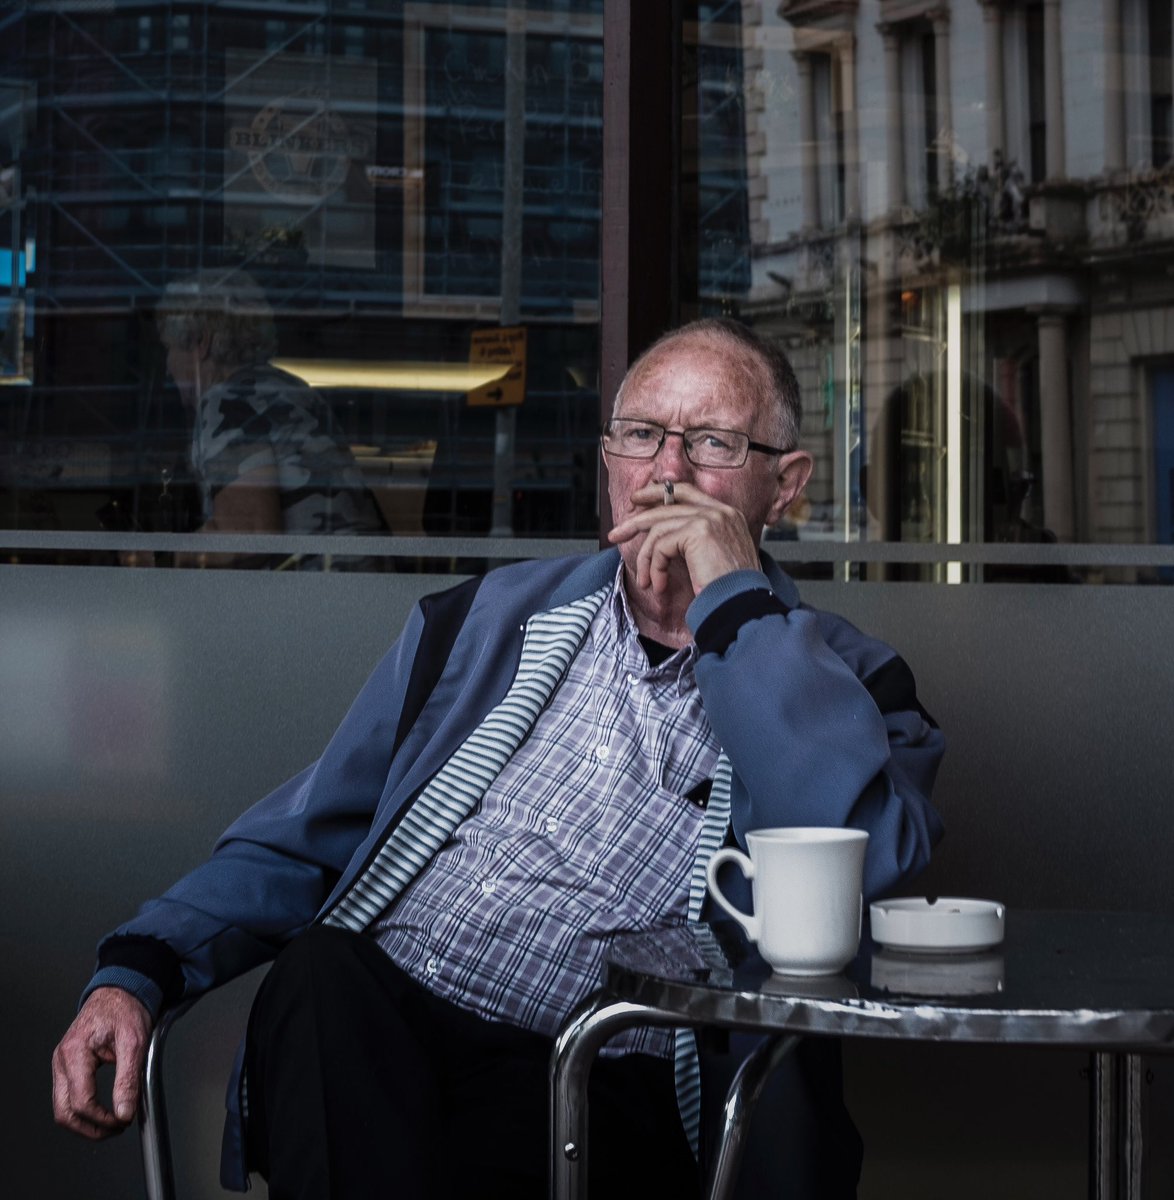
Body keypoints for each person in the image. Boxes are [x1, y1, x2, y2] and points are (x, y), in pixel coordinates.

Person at [52, 317, 945, 1199]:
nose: (667, 472)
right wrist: (138, 972)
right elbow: (307, 833)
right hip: (388, 1052)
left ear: (783, 485)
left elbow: (858, 849)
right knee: (323, 977)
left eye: (711, 443)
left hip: (610, 1089)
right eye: (641, 435)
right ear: (609, 460)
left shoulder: (855, 682)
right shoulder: (482, 622)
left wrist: (737, 611)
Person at [155, 271, 385, 565]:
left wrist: (160, 559)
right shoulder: (290, 389)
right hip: (363, 589)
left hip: (321, 596)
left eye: (169, 348)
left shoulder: (226, 402)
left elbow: (248, 535)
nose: (167, 367)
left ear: (201, 342)